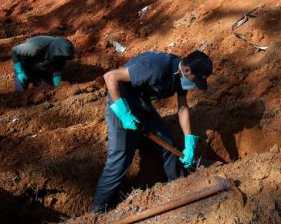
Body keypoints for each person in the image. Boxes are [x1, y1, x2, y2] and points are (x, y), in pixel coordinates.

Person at [91, 50, 213, 214]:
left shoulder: (182, 76)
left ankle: (180, 187)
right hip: (121, 103)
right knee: (120, 159)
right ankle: (99, 210)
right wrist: (124, 114)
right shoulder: (155, 68)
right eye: (195, 80)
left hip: (142, 105)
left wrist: (189, 140)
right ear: (188, 70)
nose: (195, 84)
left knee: (169, 147)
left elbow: (183, 107)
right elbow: (110, 77)